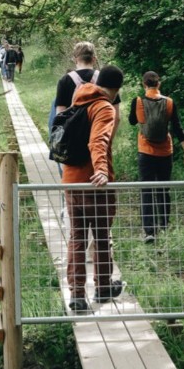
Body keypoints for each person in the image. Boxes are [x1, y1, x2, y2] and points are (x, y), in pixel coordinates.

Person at [62, 65, 125, 314]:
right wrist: (101, 170)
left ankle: (77, 295)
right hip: (94, 184)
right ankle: (103, 287)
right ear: (117, 89)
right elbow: (98, 140)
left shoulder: (79, 99)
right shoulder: (104, 107)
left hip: (70, 180)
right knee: (100, 236)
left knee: (77, 237)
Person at [127, 71, 184, 241]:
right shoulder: (169, 102)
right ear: (159, 84)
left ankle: (149, 231)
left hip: (145, 151)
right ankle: (164, 226)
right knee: (163, 188)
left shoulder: (138, 101)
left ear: (144, 84)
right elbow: (177, 127)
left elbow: (132, 121)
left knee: (146, 189)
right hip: (165, 152)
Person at [50, 42, 99, 177]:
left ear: (75, 59)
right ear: (94, 58)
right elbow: (116, 116)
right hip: (98, 135)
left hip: (73, 140)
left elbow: (60, 115)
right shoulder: (103, 78)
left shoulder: (65, 80)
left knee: (73, 180)